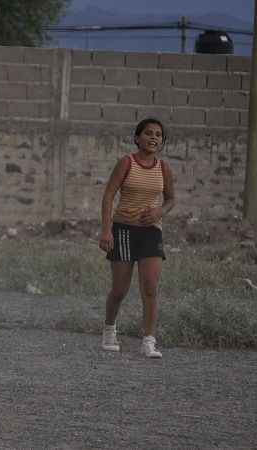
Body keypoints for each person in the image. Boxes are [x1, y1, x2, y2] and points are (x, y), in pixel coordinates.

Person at [98, 117, 175, 358]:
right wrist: (106, 229)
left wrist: (160, 211)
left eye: (158, 135)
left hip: (150, 233)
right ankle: (110, 329)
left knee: (150, 286)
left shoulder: (163, 168)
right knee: (119, 289)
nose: (154, 138)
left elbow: (171, 198)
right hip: (123, 230)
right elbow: (109, 195)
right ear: (137, 137)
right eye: (148, 133)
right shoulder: (126, 163)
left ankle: (149, 341)